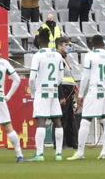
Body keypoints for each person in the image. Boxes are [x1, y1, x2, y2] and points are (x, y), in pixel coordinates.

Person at [67, 35, 105, 160]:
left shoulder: (90, 55)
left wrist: (80, 95)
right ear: (103, 43)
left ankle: (80, 152)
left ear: (92, 44)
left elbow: (85, 77)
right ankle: (104, 152)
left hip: (95, 91)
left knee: (85, 121)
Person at [28, 29, 64, 161]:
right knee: (57, 120)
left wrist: (33, 91)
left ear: (38, 41)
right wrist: (54, 85)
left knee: (41, 120)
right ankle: (59, 154)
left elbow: (32, 78)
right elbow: (61, 77)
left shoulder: (37, 56)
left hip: (41, 91)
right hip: (53, 91)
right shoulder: (57, 55)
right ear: (50, 41)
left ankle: (39, 154)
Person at [56, 37, 78, 149]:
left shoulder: (65, 58)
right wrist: (61, 96)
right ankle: (61, 143)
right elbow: (58, 78)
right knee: (62, 117)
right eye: (66, 45)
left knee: (70, 118)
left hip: (69, 90)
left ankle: (72, 142)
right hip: (63, 90)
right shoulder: (58, 58)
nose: (69, 47)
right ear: (59, 46)